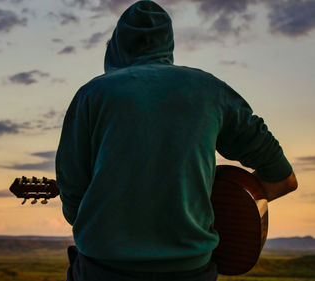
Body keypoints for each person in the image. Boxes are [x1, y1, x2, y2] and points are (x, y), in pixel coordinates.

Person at [54, 1, 298, 281]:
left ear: (117, 47)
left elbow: (73, 197)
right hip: (190, 271)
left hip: (103, 270)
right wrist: (228, 208)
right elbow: (284, 179)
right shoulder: (211, 91)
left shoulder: (91, 95)